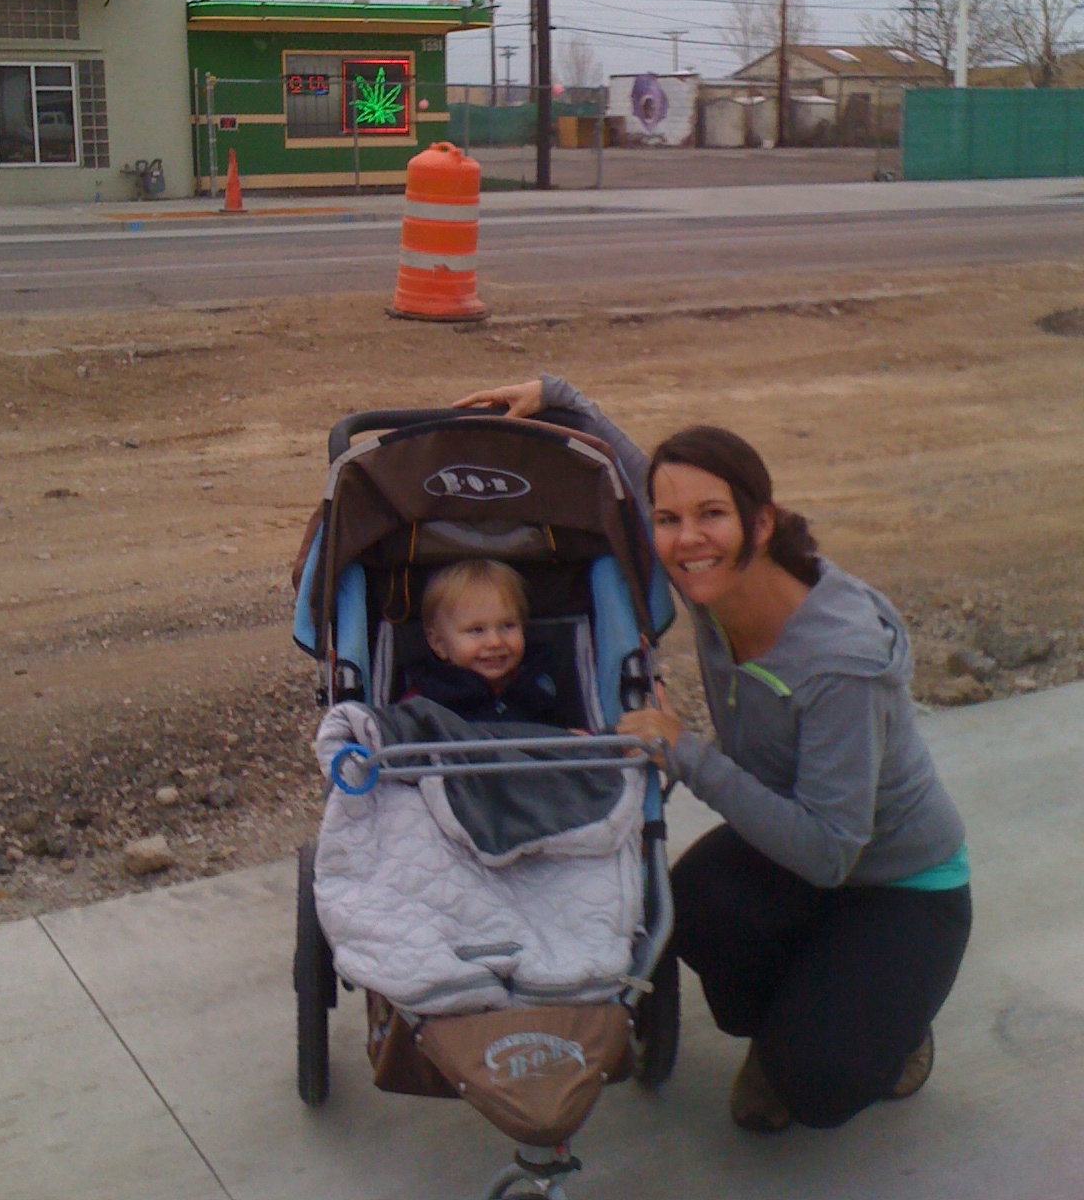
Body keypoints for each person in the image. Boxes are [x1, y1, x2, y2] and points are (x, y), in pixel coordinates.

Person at [455, 376, 972, 1134]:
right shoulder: (708, 580)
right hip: (799, 853)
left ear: (761, 523)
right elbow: (640, 478)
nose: (687, 538)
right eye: (669, 522)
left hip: (899, 881)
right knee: (687, 906)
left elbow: (830, 851)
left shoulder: (840, 662)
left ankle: (882, 1031)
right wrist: (561, 396)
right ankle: (812, 1008)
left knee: (818, 1086)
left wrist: (686, 754)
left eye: (712, 516)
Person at [405, 557, 561, 725]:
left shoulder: (539, 687)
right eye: (476, 630)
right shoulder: (423, 701)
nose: (495, 642)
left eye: (507, 626)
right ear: (439, 644)